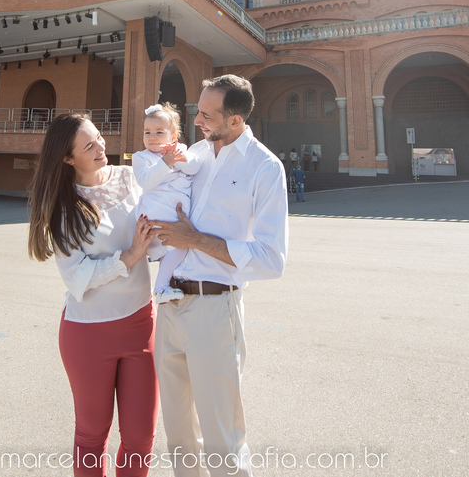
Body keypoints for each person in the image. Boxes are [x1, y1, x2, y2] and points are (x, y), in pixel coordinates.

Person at [151, 75, 289, 477]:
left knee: (221, 438)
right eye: (198, 110)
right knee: (178, 434)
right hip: (170, 304)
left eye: (207, 115)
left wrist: (196, 239)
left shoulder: (265, 168)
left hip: (215, 309)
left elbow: (270, 258)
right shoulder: (194, 153)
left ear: (234, 121)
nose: (197, 120)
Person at [27, 113, 159, 477]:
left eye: (99, 137)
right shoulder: (63, 206)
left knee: (141, 437)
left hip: (141, 325)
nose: (101, 146)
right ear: (68, 159)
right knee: (91, 434)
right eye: (89, 145)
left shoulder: (133, 178)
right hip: (88, 334)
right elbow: (78, 277)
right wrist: (131, 255)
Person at [132, 103, 203, 304]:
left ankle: (166, 283)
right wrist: (165, 163)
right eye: (147, 132)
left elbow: (194, 168)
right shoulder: (141, 157)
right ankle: (161, 288)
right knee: (179, 247)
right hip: (157, 212)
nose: (152, 137)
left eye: (159, 132)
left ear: (173, 136)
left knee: (174, 251)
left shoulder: (181, 151)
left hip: (175, 212)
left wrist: (175, 158)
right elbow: (146, 181)